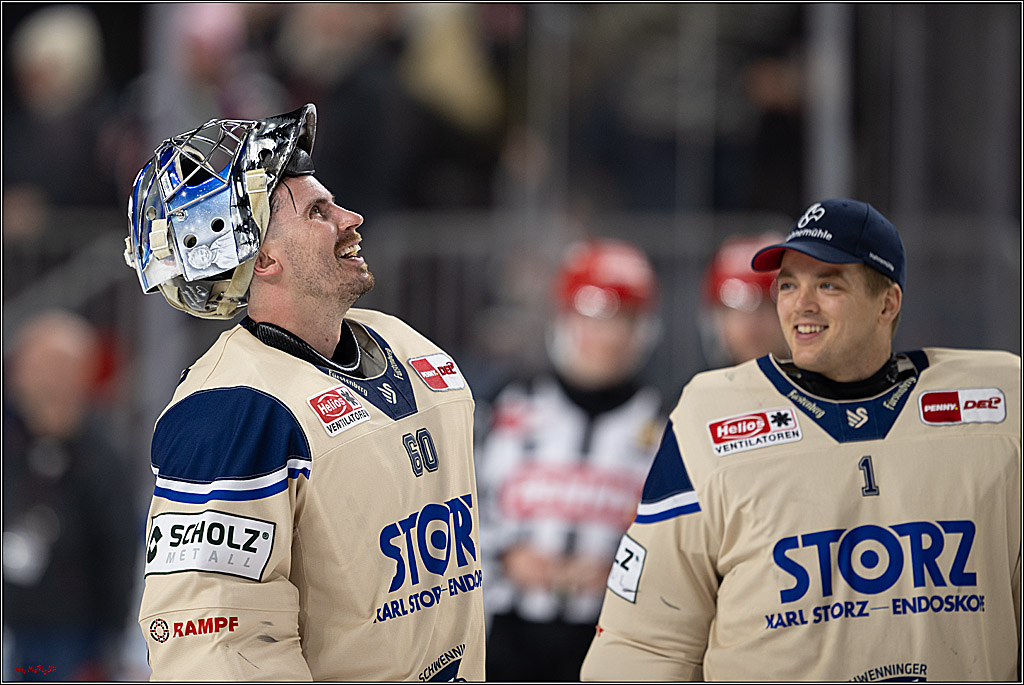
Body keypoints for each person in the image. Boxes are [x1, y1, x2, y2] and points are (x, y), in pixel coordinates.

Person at [581, 198, 1021, 681]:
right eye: (788, 284)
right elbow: (644, 641)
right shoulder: (708, 417)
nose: (800, 304)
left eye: (828, 284)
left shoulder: (999, 406)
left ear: (888, 303)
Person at [122, 104, 485, 680]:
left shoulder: (407, 345)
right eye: (319, 211)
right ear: (262, 258)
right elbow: (217, 646)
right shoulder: (230, 411)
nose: (351, 217)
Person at [478, 239, 666, 681]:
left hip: (613, 638)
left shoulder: (666, 423)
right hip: (507, 635)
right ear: (562, 321)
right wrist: (505, 555)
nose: (599, 337)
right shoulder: (506, 404)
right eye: (588, 318)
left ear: (643, 329)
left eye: (616, 320)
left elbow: (681, 540)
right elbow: (459, 500)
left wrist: (622, 572)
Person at [3, 310, 140, 681]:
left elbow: (120, 542)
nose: (55, 381)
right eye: (46, 367)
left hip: (70, 636)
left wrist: (112, 633)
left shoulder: (101, 453)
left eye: (68, 369)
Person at [699, 231, 790, 368]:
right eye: (738, 308)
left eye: (765, 306)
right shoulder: (699, 388)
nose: (752, 323)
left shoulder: (816, 388)